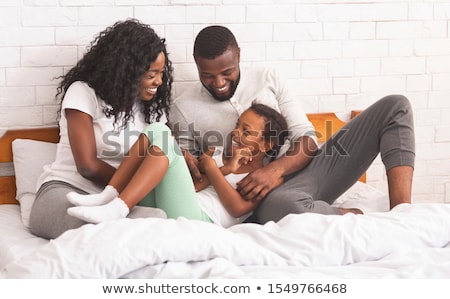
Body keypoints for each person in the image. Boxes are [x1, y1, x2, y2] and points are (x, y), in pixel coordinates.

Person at [168, 25, 415, 224]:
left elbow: (305, 138)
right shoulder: (183, 107)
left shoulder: (268, 77)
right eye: (208, 76)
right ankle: (341, 215)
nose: (219, 82)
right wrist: (190, 159)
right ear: (197, 64)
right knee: (285, 206)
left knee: (395, 106)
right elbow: (195, 173)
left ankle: (401, 216)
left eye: (227, 72)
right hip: (262, 197)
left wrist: (275, 170)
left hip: (309, 168)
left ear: (239, 55)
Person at [29, 19, 174, 239]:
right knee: (109, 233)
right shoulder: (83, 93)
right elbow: (87, 166)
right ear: (128, 70)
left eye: (161, 73)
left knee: (159, 222)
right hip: (66, 191)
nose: (159, 82)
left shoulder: (152, 107)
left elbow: (160, 155)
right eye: (151, 74)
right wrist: (130, 187)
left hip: (119, 202)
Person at [66, 103, 289, 228]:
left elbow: (237, 208)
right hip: (174, 206)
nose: (236, 133)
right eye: (237, 126)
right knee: (156, 129)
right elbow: (194, 187)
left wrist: (215, 169)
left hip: (199, 222)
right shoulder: (218, 154)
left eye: (246, 131)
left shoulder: (264, 177)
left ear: (266, 143)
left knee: (161, 135)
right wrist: (223, 167)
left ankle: (117, 206)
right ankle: (111, 196)